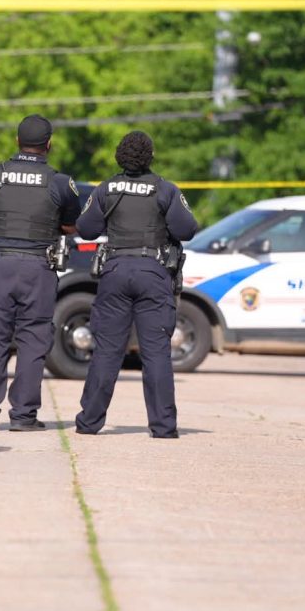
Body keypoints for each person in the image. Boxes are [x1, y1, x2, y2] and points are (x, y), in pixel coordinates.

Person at [73, 131, 198, 438]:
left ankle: (89, 423)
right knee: (156, 352)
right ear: (150, 157)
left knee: (106, 351)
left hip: (115, 270)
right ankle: (163, 427)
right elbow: (186, 229)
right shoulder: (165, 189)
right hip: (153, 273)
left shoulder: (107, 188)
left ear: (119, 156)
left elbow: (85, 229)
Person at [0, 115, 81, 432]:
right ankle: (23, 416)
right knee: (33, 338)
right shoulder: (61, 183)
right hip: (38, 268)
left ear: (17, 141)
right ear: (49, 145)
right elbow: (72, 226)